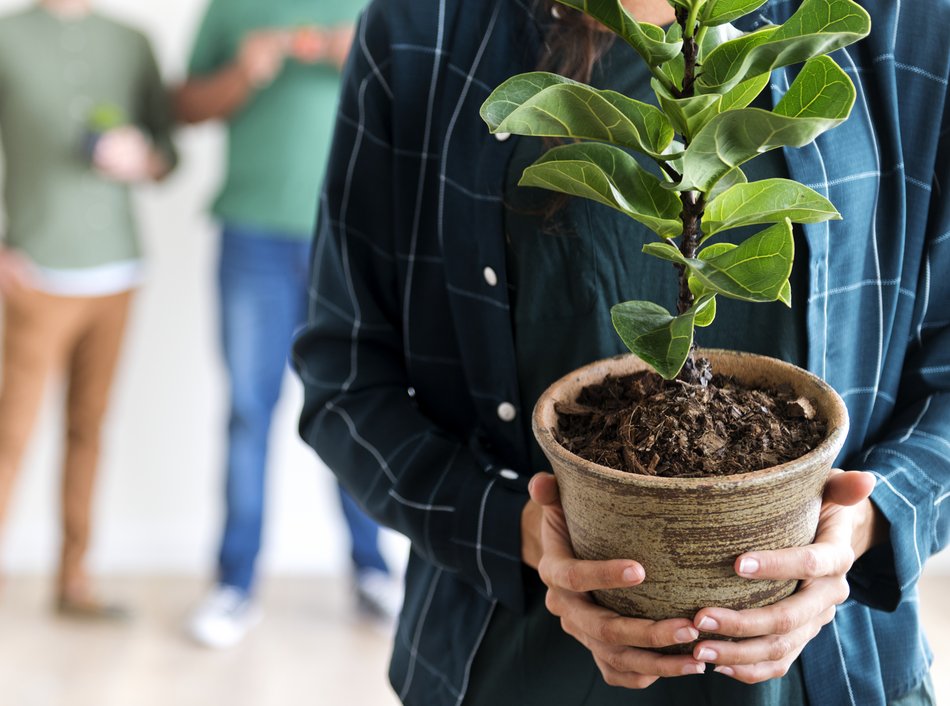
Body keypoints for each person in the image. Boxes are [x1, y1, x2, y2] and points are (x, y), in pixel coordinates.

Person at [292, 0, 949, 704]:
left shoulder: (906, 21)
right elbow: (347, 378)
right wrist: (517, 532)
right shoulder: (426, 27)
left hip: (834, 674)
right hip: (517, 667)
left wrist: (860, 527)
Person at [175, 0, 400, 649]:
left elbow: (421, 107)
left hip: (351, 239)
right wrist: (243, 71)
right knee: (249, 411)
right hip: (251, 241)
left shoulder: (372, 9)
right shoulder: (229, 9)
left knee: (357, 405)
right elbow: (183, 106)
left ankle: (371, 570)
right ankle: (235, 583)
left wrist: (358, 57)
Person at [0, 0, 177, 618]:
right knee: (10, 436)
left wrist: (143, 158)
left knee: (89, 431)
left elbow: (166, 155)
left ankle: (74, 581)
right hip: (35, 273)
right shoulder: (7, 36)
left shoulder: (131, 41)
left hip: (118, 272)